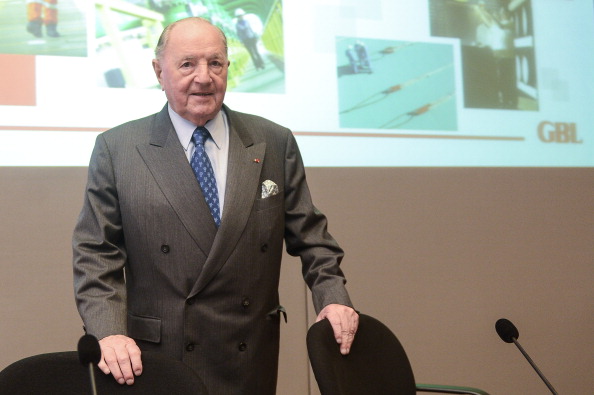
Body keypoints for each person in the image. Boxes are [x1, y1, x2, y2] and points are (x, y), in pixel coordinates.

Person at [73, 17, 358, 394]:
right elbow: (96, 253)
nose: (204, 77)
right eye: (187, 64)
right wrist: (108, 331)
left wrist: (333, 298)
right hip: (158, 357)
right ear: (159, 71)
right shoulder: (119, 149)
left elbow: (312, 237)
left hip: (247, 352)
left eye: (215, 63)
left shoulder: (273, 141)